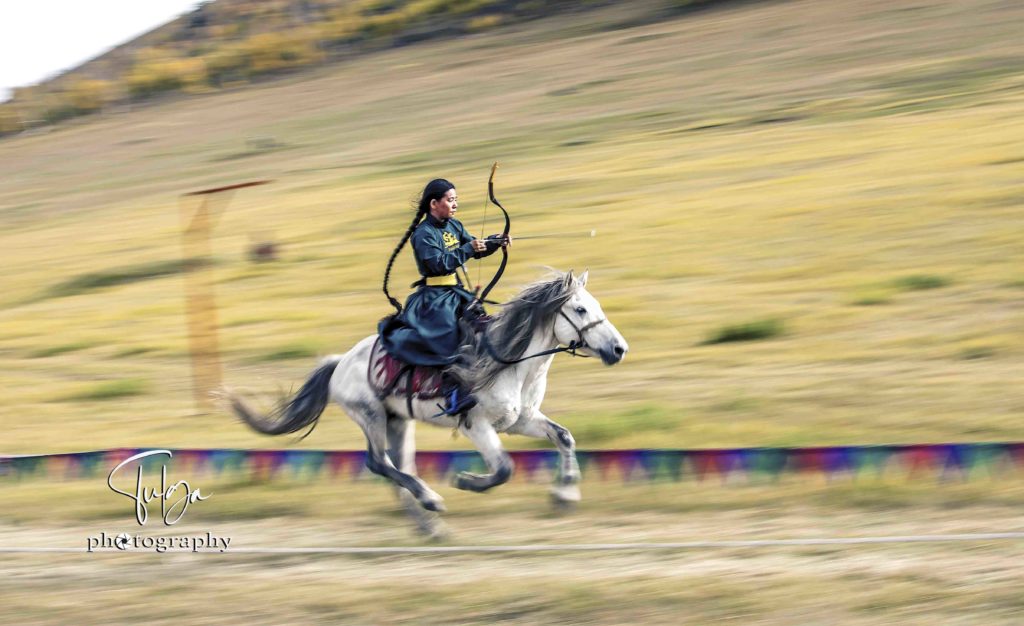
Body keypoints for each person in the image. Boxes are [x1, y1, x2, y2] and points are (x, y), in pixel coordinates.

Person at [379, 178, 509, 415]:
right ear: (434, 204)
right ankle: (453, 392)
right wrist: (468, 249)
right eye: (450, 200)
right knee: (449, 336)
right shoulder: (422, 234)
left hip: (455, 292)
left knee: (481, 326)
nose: (455, 204)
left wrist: (494, 242)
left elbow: (473, 247)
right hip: (433, 299)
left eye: (456, 200)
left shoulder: (454, 226)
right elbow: (439, 264)